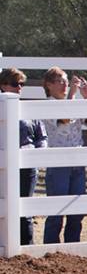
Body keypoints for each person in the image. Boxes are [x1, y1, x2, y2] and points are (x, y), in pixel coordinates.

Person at [41, 67, 87, 243]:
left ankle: (72, 247)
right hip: (58, 164)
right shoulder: (47, 105)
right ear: (48, 85)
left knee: (76, 212)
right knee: (56, 213)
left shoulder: (74, 102)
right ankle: (50, 247)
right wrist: (72, 95)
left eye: (66, 81)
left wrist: (86, 96)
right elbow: (63, 120)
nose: (65, 84)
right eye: (60, 81)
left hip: (77, 162)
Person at [0, 68, 47, 245]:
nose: (19, 88)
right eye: (15, 84)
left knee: (25, 209)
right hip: (3, 166)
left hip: (27, 166)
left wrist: (38, 153)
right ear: (3, 85)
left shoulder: (28, 109)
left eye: (21, 84)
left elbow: (42, 137)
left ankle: (27, 247)